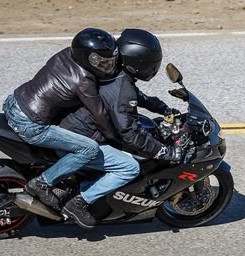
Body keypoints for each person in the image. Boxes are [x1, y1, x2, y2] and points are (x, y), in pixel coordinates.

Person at [57, 29, 182, 228]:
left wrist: (161, 107)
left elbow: (136, 97)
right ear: (140, 64)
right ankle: (80, 201)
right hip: (80, 137)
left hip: (73, 127)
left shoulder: (116, 73)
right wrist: (163, 150)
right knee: (129, 167)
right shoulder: (123, 87)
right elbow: (130, 134)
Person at [2, 28, 120, 212]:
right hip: (31, 124)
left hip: (14, 101)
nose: (107, 67)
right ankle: (42, 183)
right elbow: (100, 114)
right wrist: (114, 136)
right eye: (103, 63)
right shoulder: (84, 80)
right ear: (88, 59)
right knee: (89, 148)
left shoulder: (65, 54)